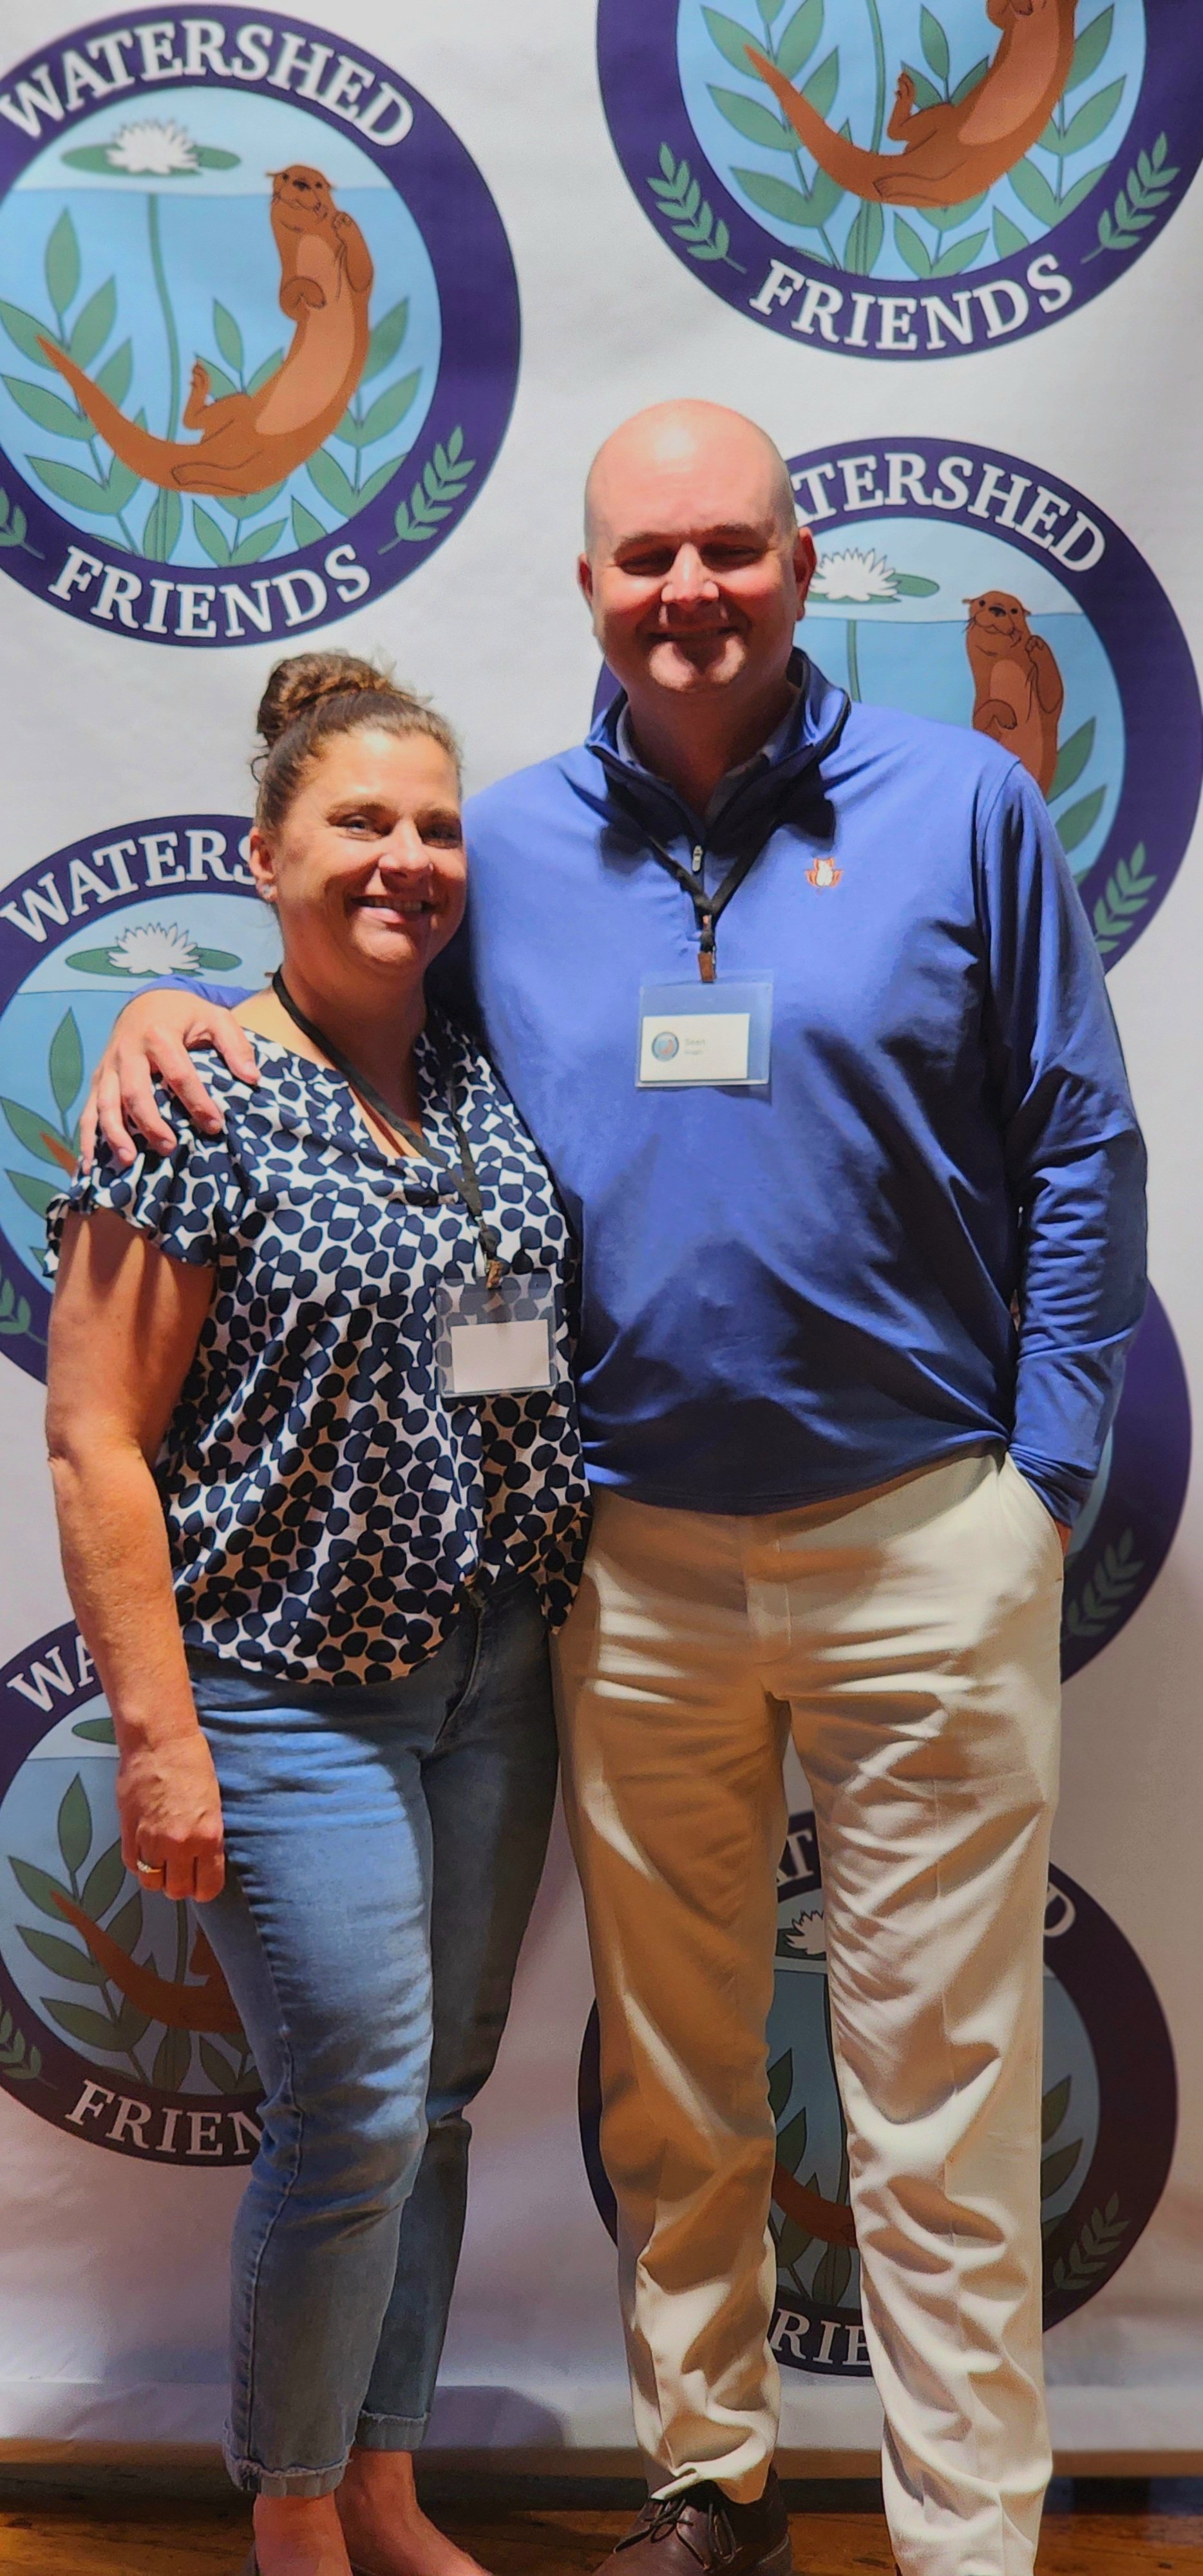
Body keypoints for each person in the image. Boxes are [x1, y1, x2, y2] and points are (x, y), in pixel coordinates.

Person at [83, 402, 1147, 2576]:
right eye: (643, 555)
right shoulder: (510, 851)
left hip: (921, 1535)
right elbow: (338, 992)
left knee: (937, 2103)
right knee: (675, 2083)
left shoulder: (963, 809)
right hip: (628, 1565)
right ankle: (709, 2488)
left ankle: (966, 2546)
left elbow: (1079, 1149)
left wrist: (1039, 1483)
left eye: (728, 550)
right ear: (584, 585)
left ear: (801, 558)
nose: (687, 592)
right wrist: (160, 1013)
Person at [46, 654, 589, 2576]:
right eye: (360, 823)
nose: (406, 860)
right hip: (285, 1695)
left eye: (436, 828)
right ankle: (288, 2514)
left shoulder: (483, 1076)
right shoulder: (188, 1090)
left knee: (433, 2102)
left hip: (494, 1676)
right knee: (352, 2099)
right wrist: (161, 1735)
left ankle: (382, 2473)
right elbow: (95, 1441)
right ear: (265, 856)